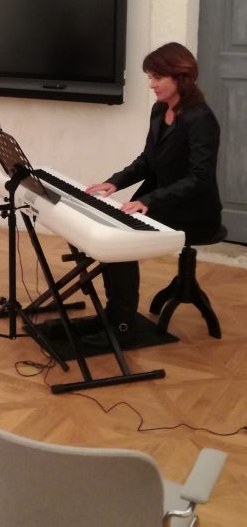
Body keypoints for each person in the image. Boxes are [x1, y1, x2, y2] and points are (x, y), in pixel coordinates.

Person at [84, 42, 222, 345]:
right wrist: (114, 182)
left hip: (195, 210)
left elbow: (199, 178)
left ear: (180, 77)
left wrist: (148, 200)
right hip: (164, 199)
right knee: (110, 227)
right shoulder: (160, 110)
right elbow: (148, 160)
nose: (151, 85)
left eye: (158, 77)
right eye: (150, 77)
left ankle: (124, 325)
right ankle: (113, 313)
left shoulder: (200, 118)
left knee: (121, 237)